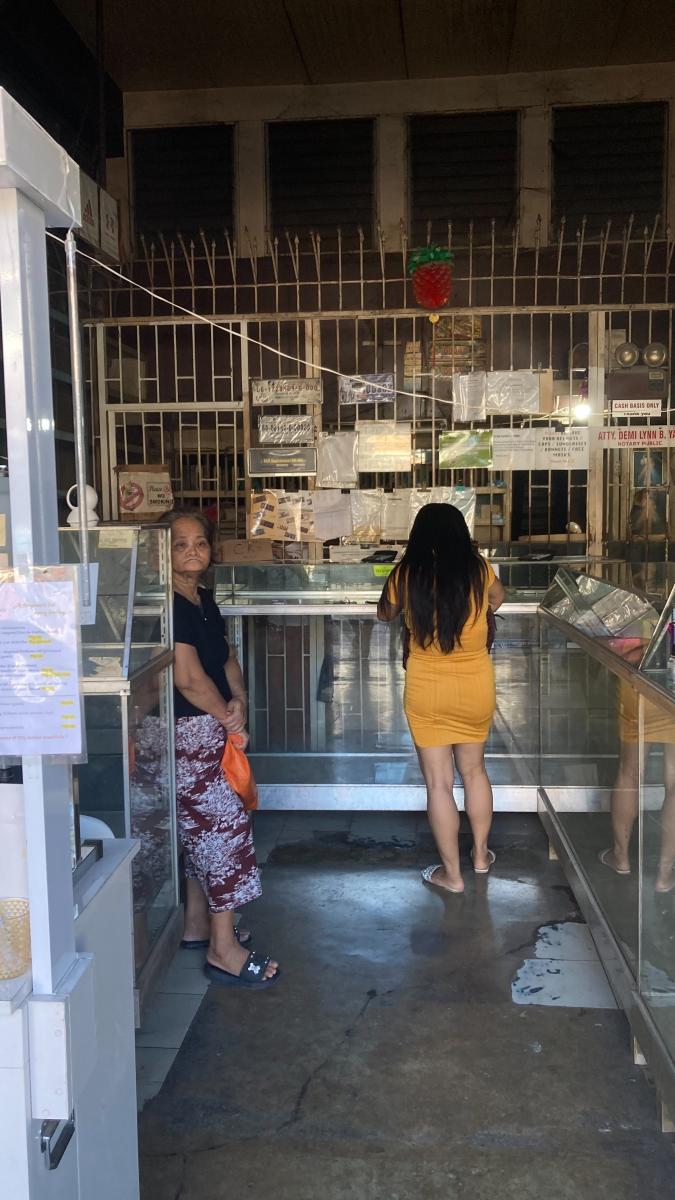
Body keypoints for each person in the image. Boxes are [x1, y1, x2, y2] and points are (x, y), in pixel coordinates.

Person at [168, 507, 280, 988]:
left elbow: (226, 656)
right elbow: (188, 679)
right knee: (225, 828)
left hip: (209, 729)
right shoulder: (168, 605)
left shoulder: (202, 599)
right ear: (162, 553)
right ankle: (223, 949)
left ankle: (198, 925)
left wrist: (239, 700)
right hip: (181, 732)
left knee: (202, 830)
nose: (193, 551)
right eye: (180, 544)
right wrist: (226, 715)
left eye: (200, 542)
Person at [377, 503, 505, 894]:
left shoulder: (407, 574)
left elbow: (385, 614)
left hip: (427, 689)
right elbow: (498, 599)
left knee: (439, 785)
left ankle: (452, 875)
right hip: (475, 685)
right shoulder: (478, 569)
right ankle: (480, 856)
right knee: (475, 772)